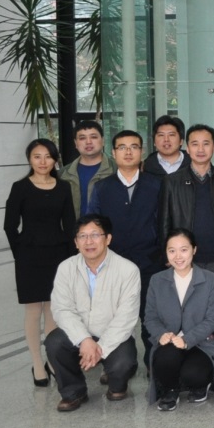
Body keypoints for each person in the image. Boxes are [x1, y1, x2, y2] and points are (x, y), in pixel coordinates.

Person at [45, 214, 141, 412]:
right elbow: (62, 309)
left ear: (108, 239)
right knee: (54, 342)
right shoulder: (66, 268)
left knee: (123, 363)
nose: (89, 241)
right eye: (83, 236)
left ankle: (117, 385)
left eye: (95, 235)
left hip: (114, 335)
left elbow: (126, 318)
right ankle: (74, 392)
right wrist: (84, 340)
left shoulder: (128, 270)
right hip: (79, 334)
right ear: (76, 242)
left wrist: (99, 349)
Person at [3, 138, 75, 387]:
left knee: (53, 310)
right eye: (37, 156)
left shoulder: (63, 187)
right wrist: (20, 253)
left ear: (55, 159)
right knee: (33, 311)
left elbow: (70, 225)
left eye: (48, 156)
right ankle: (37, 363)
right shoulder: (20, 187)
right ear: (29, 159)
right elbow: (10, 226)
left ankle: (52, 360)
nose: (43, 161)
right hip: (29, 255)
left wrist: (71, 259)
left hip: (58, 255)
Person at [89, 129, 162, 367]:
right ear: (113, 153)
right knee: (112, 319)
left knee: (150, 316)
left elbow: (165, 223)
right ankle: (115, 367)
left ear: (142, 152)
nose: (128, 152)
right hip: (113, 265)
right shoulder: (102, 187)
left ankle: (154, 366)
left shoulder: (157, 185)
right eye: (122, 147)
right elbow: (93, 226)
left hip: (150, 262)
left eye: (134, 147)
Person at [143, 228, 214, 411]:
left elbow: (213, 319)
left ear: (194, 250)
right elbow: (150, 317)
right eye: (172, 250)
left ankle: (200, 384)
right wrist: (161, 334)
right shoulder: (157, 280)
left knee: (193, 375)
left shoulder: (210, 279)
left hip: (202, 342)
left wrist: (187, 339)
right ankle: (170, 390)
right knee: (163, 359)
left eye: (184, 249)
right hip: (170, 341)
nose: (178, 256)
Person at [160, 124, 214, 284]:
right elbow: (164, 222)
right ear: (187, 148)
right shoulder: (172, 181)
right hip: (185, 259)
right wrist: (168, 254)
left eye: (206, 144)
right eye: (195, 144)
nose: (200, 149)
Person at [59, 120, 113, 216]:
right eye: (82, 138)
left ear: (103, 141)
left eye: (93, 137)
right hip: (74, 225)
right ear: (75, 143)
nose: (88, 142)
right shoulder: (63, 174)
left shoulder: (116, 169)